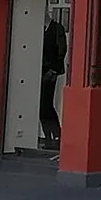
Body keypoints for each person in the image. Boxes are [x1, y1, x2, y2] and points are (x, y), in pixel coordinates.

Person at [39, 15, 67, 147]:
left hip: (50, 72)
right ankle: (48, 136)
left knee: (46, 104)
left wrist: (54, 70)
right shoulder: (39, 29)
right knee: (40, 106)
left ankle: (56, 135)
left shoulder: (57, 29)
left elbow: (62, 50)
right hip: (39, 72)